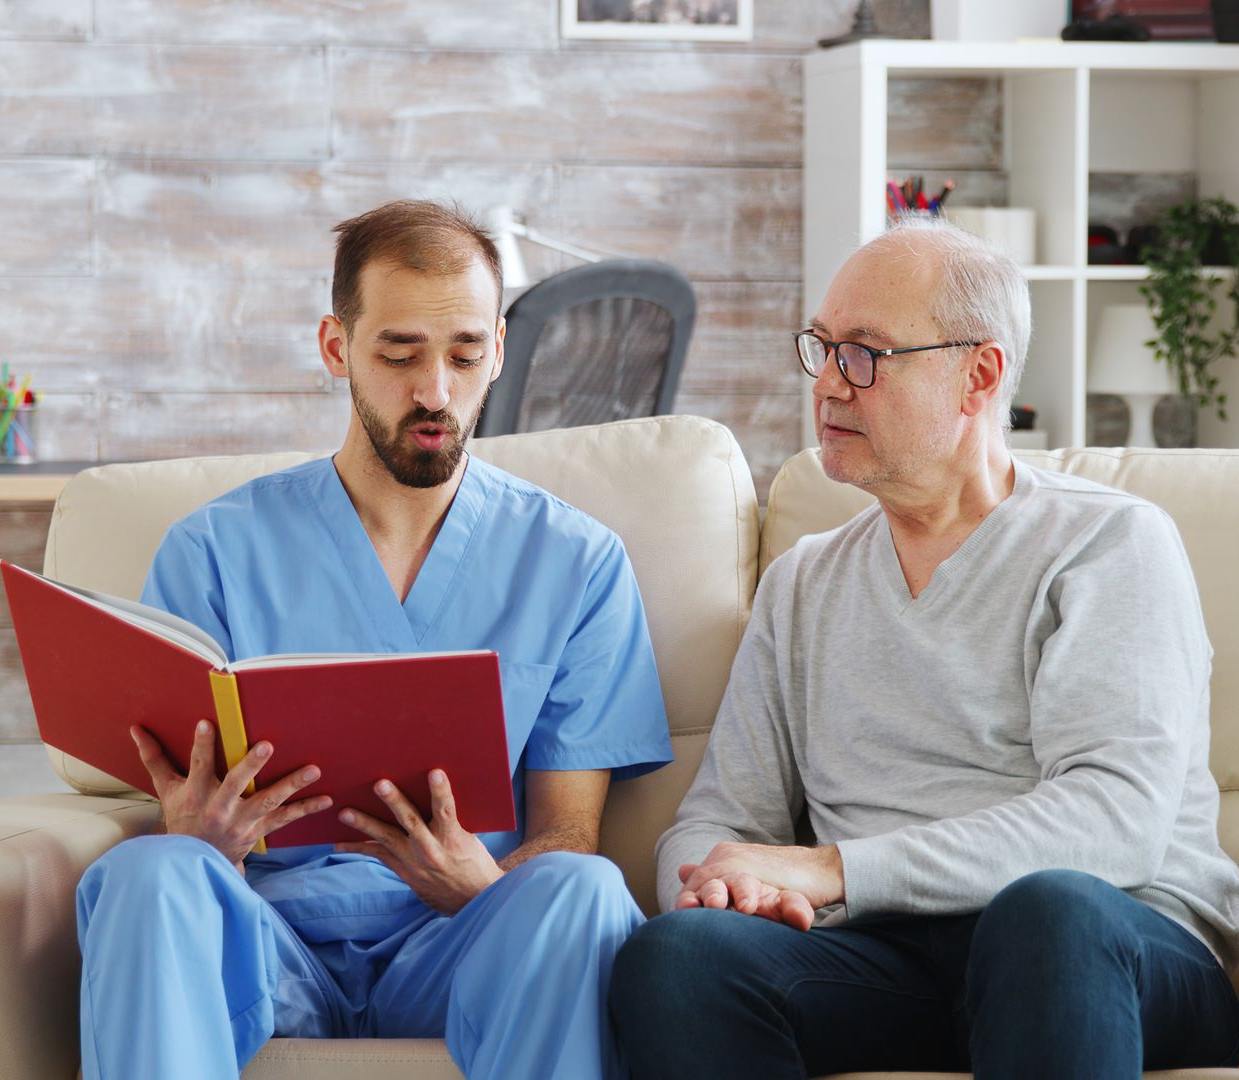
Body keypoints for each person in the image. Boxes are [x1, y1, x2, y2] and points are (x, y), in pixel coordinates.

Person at [608, 218, 1239, 1079]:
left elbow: (1113, 823)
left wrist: (832, 869)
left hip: (1113, 942)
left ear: (976, 375)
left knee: (1044, 914)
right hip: (889, 959)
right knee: (678, 956)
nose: (827, 385)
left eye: (863, 354)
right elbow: (719, 818)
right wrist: (718, 882)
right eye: (821, 348)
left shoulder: (1107, 543)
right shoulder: (802, 582)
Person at [74, 199, 672, 1080]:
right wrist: (200, 838)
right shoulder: (214, 551)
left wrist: (477, 886)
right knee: (148, 871)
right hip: (268, 945)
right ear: (335, 347)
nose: (433, 390)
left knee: (584, 890)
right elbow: (172, 798)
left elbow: (570, 832)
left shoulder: (575, 562)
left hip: (463, 944)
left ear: (497, 353)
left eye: (465, 354)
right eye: (399, 354)